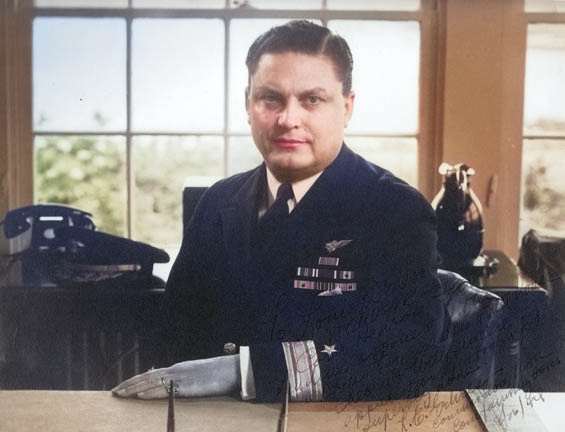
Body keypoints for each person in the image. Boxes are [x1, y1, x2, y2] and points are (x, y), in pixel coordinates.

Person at [112, 20, 450, 403]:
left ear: (347, 108)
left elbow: (411, 357)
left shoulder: (394, 210)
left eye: (312, 100)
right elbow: (172, 335)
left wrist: (242, 370)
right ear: (248, 105)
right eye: (270, 98)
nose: (288, 119)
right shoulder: (218, 202)